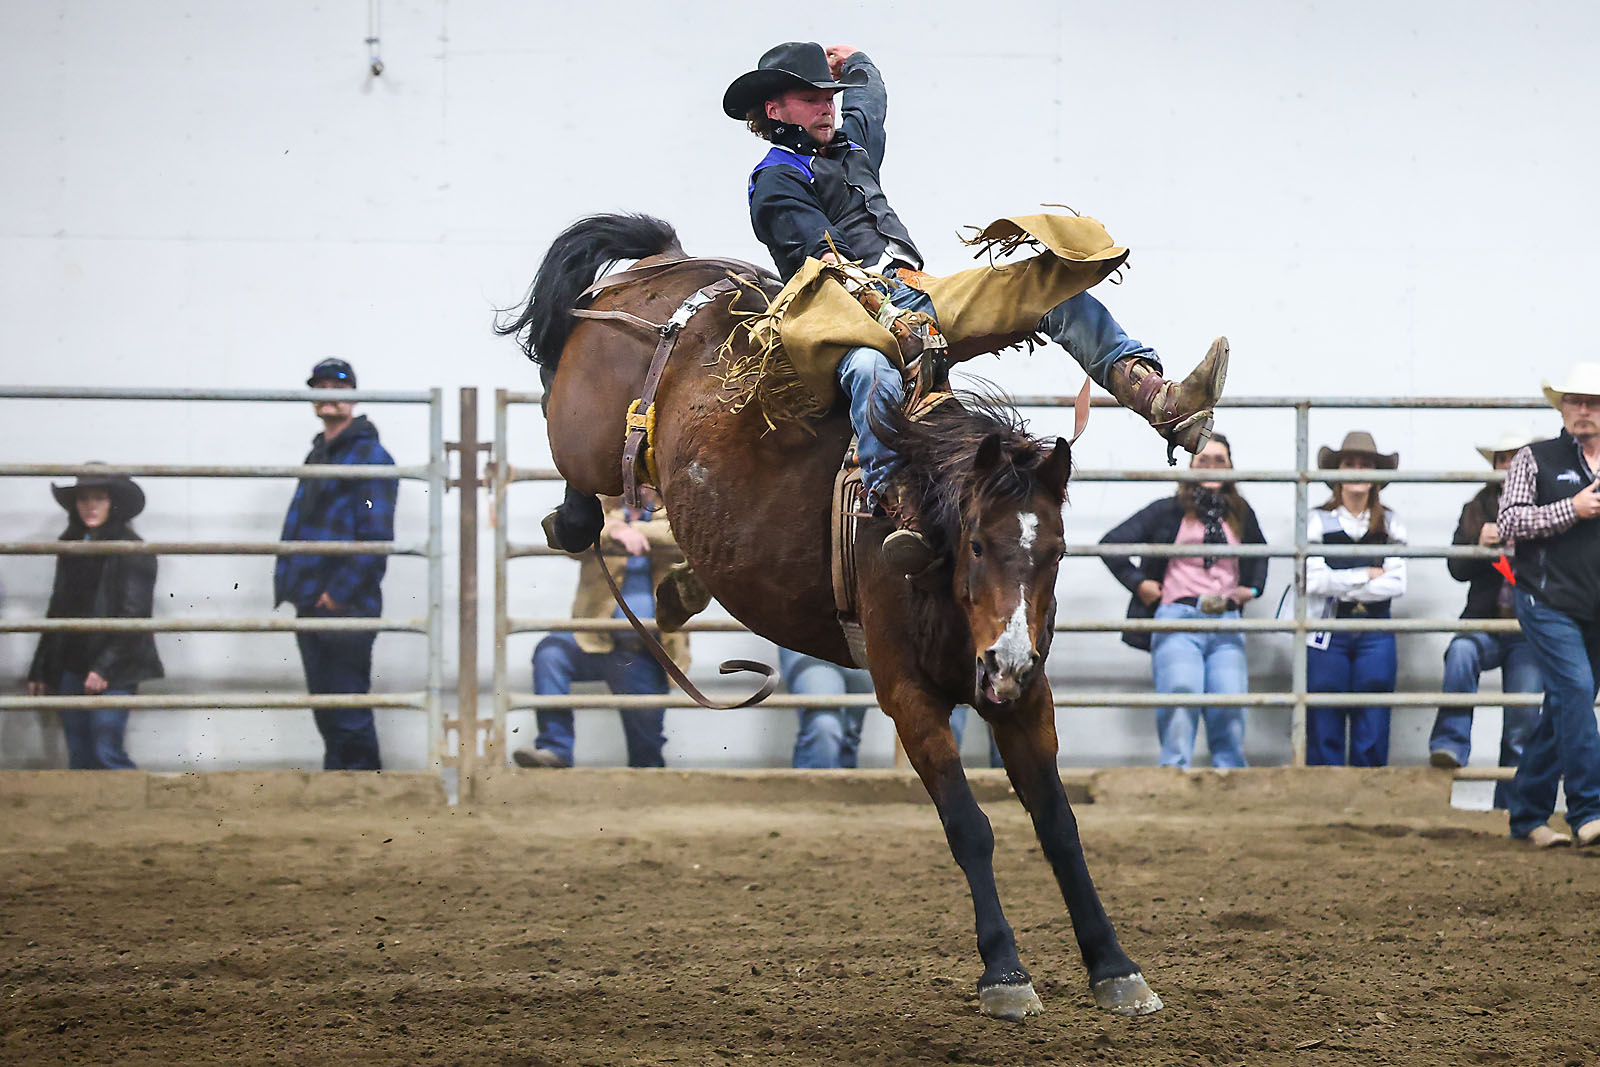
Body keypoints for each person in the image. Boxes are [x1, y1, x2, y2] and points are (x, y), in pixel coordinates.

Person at [722, 42, 1228, 575]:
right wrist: (891, 317)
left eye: (829, 96)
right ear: (775, 111)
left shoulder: (852, 145)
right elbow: (825, 266)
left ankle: (1158, 398)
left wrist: (857, 61)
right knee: (872, 371)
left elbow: (870, 99)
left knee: (1051, 292)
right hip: (835, 314)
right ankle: (898, 506)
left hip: (913, 289)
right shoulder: (775, 180)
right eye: (811, 98)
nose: (828, 107)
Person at [1100, 434, 1267, 769]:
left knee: (1229, 697)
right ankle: (1174, 772)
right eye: (1203, 460)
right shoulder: (1168, 510)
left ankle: (1230, 776)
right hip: (1178, 616)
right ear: (1190, 466)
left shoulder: (1241, 514)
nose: (1211, 467)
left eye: (1219, 460)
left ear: (1230, 467)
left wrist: (1253, 590)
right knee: (1181, 691)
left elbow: (1259, 554)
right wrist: (1139, 584)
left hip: (1225, 619)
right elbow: (1112, 543)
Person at [1495, 363, 1600, 848]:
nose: (1583, 409)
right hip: (1545, 599)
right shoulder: (1533, 459)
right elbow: (1510, 523)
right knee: (1577, 692)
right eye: (1575, 400)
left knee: (1564, 705)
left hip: (1594, 605)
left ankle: (1528, 817)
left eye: (1592, 401)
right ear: (1561, 406)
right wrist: (1571, 509)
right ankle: (1588, 811)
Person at [275, 358, 397, 771]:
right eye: (321, 386)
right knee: (329, 707)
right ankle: (342, 789)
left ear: (352, 395)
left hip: (342, 603)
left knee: (344, 705)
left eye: (337, 386)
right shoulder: (320, 452)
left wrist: (337, 593)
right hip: (314, 597)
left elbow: (375, 534)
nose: (328, 394)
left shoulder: (370, 456)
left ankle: (361, 789)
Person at [513, 494, 683, 769]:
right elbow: (565, 534)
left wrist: (634, 530)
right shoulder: (596, 508)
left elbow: (682, 537)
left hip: (646, 650)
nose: (637, 484)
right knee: (551, 653)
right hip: (593, 639)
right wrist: (614, 528)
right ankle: (555, 749)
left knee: (647, 750)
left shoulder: (673, 511)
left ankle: (648, 791)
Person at [1426, 430, 1542, 809]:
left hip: (1527, 629)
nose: (1507, 468)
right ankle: (1450, 744)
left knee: (1523, 716)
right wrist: (1479, 546)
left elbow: (1556, 568)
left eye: (1514, 459)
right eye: (1501, 460)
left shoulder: (1546, 508)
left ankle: (1510, 808)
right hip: (1485, 621)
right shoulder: (1476, 508)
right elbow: (1457, 568)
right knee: (1461, 652)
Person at [26, 467, 163, 769]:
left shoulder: (133, 550)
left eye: (99, 499)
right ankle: (92, 816)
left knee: (106, 749)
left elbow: (135, 614)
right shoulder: (70, 545)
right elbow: (57, 607)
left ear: (113, 504)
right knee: (80, 751)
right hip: (73, 662)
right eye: (84, 499)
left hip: (115, 667)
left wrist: (104, 667)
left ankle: (135, 812)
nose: (90, 506)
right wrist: (41, 667)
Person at [1304, 432, 1407, 767]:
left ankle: (1370, 799)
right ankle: (1325, 797)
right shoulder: (1316, 519)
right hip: (1329, 627)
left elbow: (1396, 583)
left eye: (1366, 464)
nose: (1358, 470)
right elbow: (1313, 580)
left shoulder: (1391, 522)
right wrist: (1366, 575)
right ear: (1338, 472)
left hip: (1375, 630)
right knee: (1324, 713)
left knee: (1373, 716)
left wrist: (1340, 581)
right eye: (1350, 463)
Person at [781, 648, 1000, 767]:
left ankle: (839, 813)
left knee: (848, 733)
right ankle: (817, 808)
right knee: (824, 726)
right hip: (812, 634)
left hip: (857, 630)